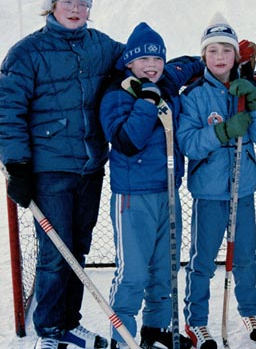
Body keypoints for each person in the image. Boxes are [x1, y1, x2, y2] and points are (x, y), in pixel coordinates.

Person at [0, 0, 124, 349]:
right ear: (52, 5)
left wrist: (200, 61)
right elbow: (8, 109)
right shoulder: (27, 52)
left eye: (82, 3)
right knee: (54, 252)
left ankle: (69, 321)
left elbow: (140, 60)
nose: (75, 9)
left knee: (77, 249)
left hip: (90, 166)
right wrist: (17, 165)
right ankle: (48, 330)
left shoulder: (101, 47)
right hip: (50, 169)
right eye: (68, 0)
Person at [98, 22, 204, 349]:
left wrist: (219, 57)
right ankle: (123, 338)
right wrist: (146, 100)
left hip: (168, 191)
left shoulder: (166, 78)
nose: (151, 65)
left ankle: (156, 329)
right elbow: (128, 140)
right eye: (143, 59)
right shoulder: (117, 92)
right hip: (133, 196)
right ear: (128, 62)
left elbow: (187, 65)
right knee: (133, 274)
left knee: (165, 270)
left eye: (157, 58)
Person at [176, 12, 256, 349]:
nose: (220, 57)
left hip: (243, 188)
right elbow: (188, 143)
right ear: (203, 55)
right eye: (213, 50)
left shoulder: (247, 91)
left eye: (227, 50)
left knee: (246, 256)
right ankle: (197, 321)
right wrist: (220, 132)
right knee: (202, 260)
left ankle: (249, 311)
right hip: (209, 192)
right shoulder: (192, 95)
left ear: (237, 56)